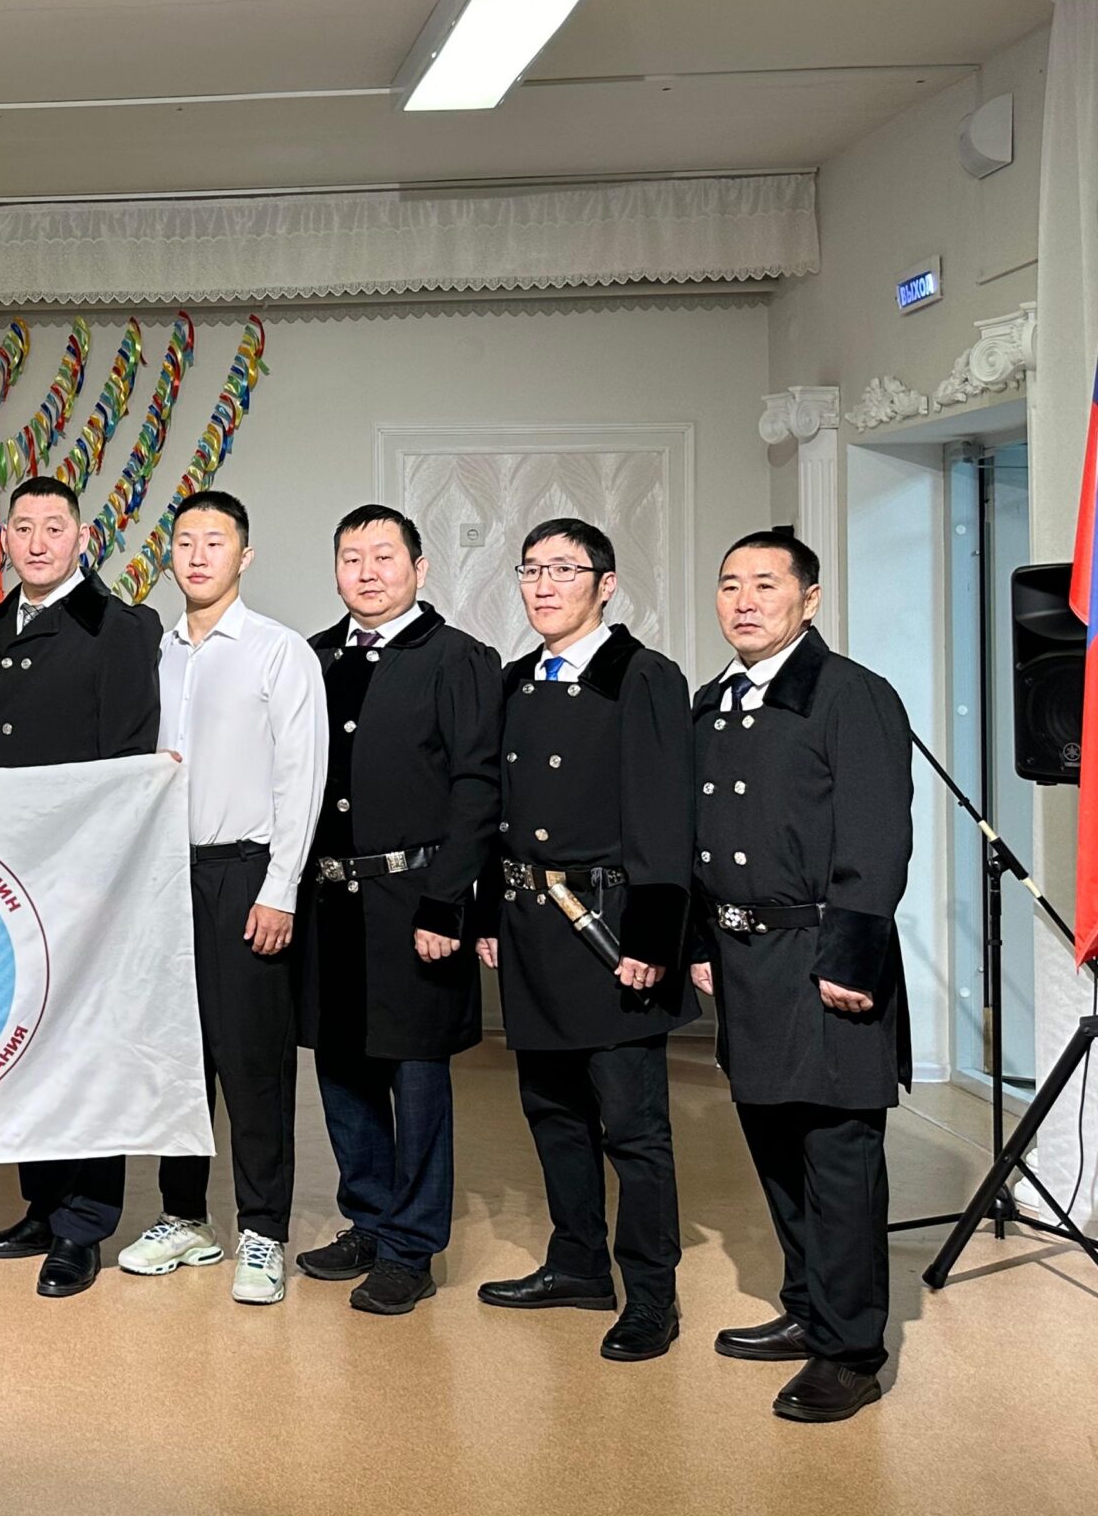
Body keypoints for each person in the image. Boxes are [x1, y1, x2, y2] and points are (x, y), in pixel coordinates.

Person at [690, 530, 912, 1424]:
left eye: (765, 584)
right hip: (745, 963)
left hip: (824, 959)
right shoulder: (715, 703)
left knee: (838, 1158)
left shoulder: (852, 695)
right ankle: (809, 1309)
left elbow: (876, 838)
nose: (744, 601)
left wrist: (850, 957)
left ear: (810, 599)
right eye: (729, 585)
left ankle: (851, 1351)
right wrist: (700, 941)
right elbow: (700, 839)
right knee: (776, 1149)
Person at [473, 517, 695, 1363]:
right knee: (552, 1112)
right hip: (532, 928)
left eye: (564, 570)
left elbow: (665, 812)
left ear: (606, 584)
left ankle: (652, 1297)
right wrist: (485, 914)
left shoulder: (643, 676)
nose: (544, 585)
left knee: (633, 1128)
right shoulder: (516, 679)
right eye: (532, 569)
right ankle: (576, 1264)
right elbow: (496, 812)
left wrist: (655, 936)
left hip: (609, 931)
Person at [294, 504, 499, 1315]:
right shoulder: (313, 658)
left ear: (419, 568)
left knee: (415, 1075)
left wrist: (448, 903)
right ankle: (370, 1220)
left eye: (385, 557)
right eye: (352, 558)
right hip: (328, 900)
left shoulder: (458, 658)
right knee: (342, 1065)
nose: (368, 572)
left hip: (415, 899)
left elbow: (477, 789)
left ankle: (412, 1247)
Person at [124, 489, 325, 1306]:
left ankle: (263, 1230)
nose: (198, 555)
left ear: (245, 556)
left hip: (247, 872)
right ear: (168, 556)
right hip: (165, 875)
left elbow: (301, 777)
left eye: (215, 541)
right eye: (184, 541)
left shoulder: (279, 652)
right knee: (178, 1057)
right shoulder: (157, 652)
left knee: (252, 1059)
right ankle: (184, 1217)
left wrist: (280, 888)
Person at [0, 476, 163, 1298]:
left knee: (87, 1049)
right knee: (24, 1045)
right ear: (3, 541)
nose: (38, 542)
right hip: (3, 877)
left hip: (84, 877)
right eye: (23, 528)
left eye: (54, 527)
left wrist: (101, 875)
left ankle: (83, 1226)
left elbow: (127, 762)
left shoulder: (120, 627)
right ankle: (41, 1206)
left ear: (82, 537)